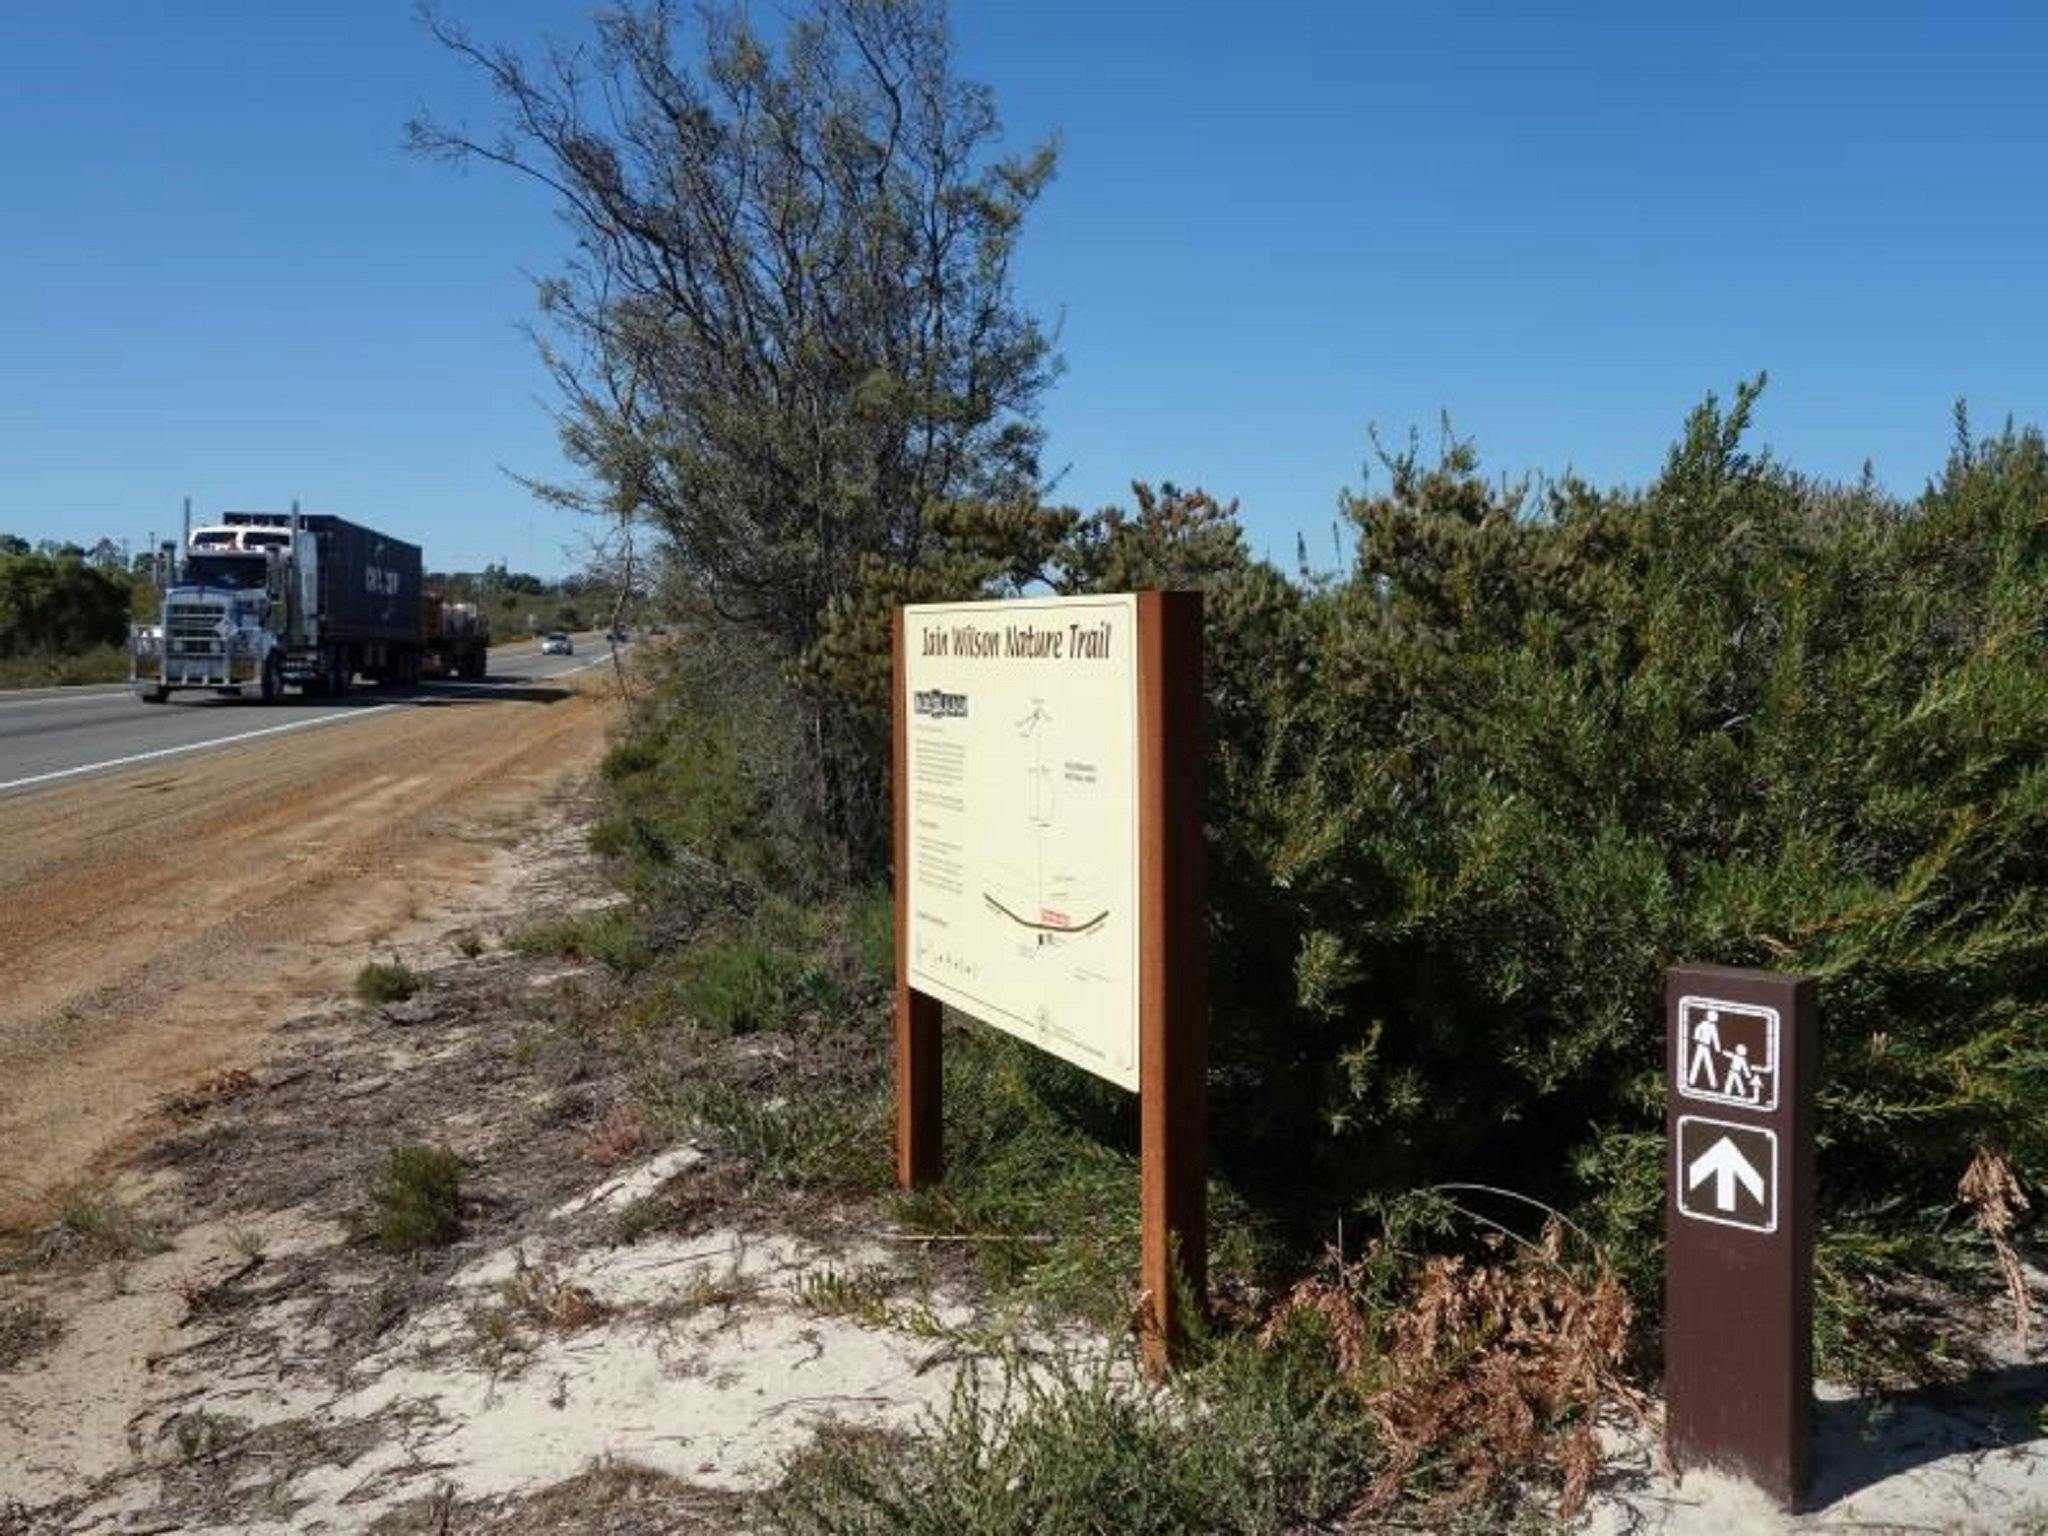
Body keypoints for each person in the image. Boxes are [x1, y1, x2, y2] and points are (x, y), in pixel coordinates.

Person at [1687, 1009, 1722, 1092]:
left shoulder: (1713, 1027)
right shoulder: (1702, 1024)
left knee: (1709, 1064)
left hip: (1707, 1047)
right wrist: (1696, 1038)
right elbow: (1697, 1031)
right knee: (1696, 1063)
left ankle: (1713, 1083)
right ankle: (1691, 1080)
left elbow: (1715, 1038)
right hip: (1700, 1046)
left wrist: (1718, 1048)